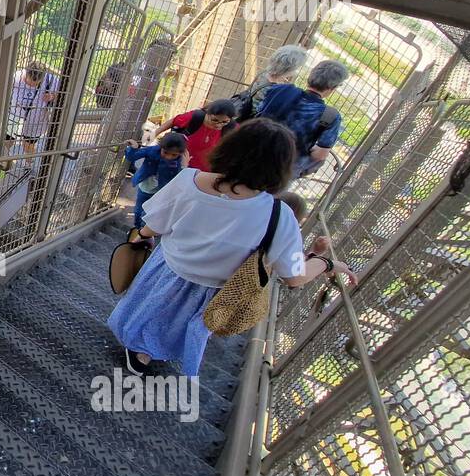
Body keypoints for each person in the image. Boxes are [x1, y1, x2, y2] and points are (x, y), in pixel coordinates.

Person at [108, 118, 355, 377]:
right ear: (281, 168)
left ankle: (138, 349)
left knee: (151, 308)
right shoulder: (279, 215)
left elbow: (152, 227)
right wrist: (327, 263)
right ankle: (153, 352)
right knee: (177, 325)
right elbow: (294, 277)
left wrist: (139, 239)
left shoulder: (189, 180)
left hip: (166, 269)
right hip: (213, 292)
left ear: (230, 148)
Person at [255, 59, 349, 177]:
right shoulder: (331, 116)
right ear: (332, 88)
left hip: (254, 149)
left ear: (310, 77)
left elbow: (258, 112)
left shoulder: (279, 90)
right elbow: (320, 155)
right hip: (282, 168)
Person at [123, 132, 188, 228]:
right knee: (139, 210)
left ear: (180, 154)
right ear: (160, 147)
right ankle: (137, 228)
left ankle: (145, 230)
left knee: (151, 212)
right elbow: (132, 157)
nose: (168, 157)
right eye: (165, 152)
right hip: (146, 188)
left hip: (161, 191)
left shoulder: (178, 160)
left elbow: (180, 177)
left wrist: (185, 167)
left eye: (173, 155)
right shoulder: (152, 151)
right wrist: (134, 148)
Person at [153, 98, 237, 171]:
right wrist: (154, 134)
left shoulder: (231, 128)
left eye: (224, 122)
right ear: (207, 112)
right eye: (214, 120)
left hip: (204, 172)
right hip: (178, 164)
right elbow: (173, 121)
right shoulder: (195, 117)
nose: (219, 125)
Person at [232, 43, 308, 121]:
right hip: (247, 120)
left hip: (239, 110)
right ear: (290, 68)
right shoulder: (277, 89)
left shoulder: (264, 73)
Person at [8, 61, 60, 156]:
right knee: (7, 142)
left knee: (28, 145)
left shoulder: (52, 80)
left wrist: (52, 96)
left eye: (36, 83)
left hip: (36, 120)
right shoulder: (16, 77)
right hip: (14, 115)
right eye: (29, 81)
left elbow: (64, 93)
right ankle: (3, 165)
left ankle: (28, 167)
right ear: (26, 73)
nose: (32, 85)